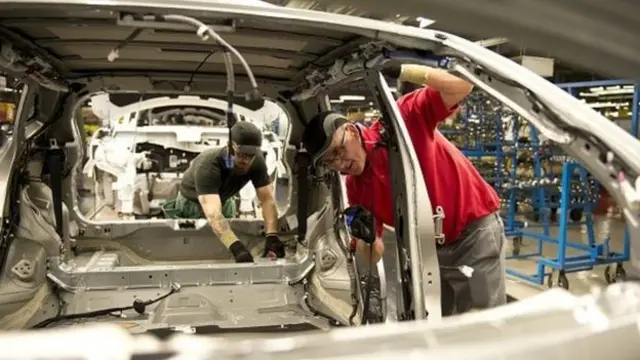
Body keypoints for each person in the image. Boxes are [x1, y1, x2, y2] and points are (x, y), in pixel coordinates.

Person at [301, 64, 507, 316]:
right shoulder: (356, 188)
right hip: (432, 251)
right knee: (454, 330)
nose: (340, 163)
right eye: (329, 162)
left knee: (483, 326)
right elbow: (374, 253)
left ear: (350, 129)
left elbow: (462, 85)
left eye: (339, 150)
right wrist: (364, 239)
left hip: (474, 234)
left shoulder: (403, 121)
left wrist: (405, 70)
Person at [162, 121, 285, 263]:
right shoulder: (208, 165)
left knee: (224, 248)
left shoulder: (256, 162)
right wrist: (236, 247)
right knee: (190, 247)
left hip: (225, 199)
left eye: (250, 155)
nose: (246, 161)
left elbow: (267, 200)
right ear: (230, 146)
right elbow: (213, 214)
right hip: (191, 204)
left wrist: (272, 236)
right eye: (241, 154)